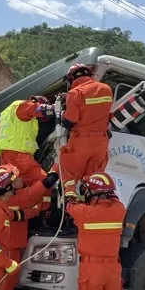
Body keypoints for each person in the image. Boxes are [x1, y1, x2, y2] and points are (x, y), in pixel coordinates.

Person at [55, 64, 114, 201]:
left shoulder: (75, 93)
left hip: (81, 142)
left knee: (68, 173)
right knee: (92, 179)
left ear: (71, 79)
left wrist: (64, 109)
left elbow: (69, 121)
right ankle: (90, 204)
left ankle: (69, 204)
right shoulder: (106, 89)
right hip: (101, 143)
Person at [0, 95, 55, 213]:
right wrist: (56, 108)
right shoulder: (23, 106)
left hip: (7, 156)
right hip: (18, 156)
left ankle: (26, 214)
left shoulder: (7, 116)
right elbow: (38, 110)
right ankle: (43, 215)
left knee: (17, 190)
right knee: (44, 182)